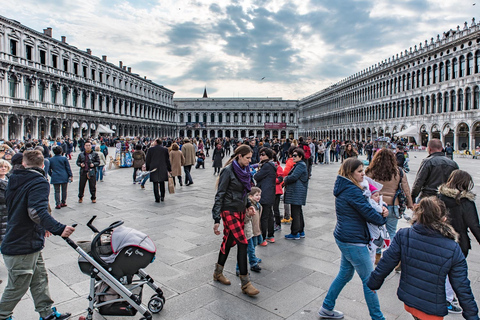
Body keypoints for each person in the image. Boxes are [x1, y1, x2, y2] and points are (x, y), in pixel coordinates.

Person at [367, 197, 479, 320]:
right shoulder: (452, 248)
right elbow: (462, 286)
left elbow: (386, 261)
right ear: (444, 219)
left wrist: (373, 283)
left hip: (409, 300)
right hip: (432, 309)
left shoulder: (404, 235)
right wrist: (472, 316)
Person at [0, 150, 75, 320]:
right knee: (18, 285)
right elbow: (35, 211)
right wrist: (58, 228)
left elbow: (24, 209)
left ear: (24, 164)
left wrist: (43, 227)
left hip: (27, 240)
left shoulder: (13, 179)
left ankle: (46, 313)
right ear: (43, 165)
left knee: (39, 278)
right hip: (21, 244)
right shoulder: (39, 181)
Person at [318, 158, 388, 320]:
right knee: (370, 281)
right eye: (359, 171)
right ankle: (378, 318)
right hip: (353, 240)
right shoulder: (352, 190)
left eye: (363, 170)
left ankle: (327, 308)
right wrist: (383, 216)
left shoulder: (348, 187)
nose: (363, 173)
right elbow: (369, 213)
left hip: (346, 236)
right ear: (350, 174)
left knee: (345, 274)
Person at [212, 145, 259, 296]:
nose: (250, 161)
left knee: (228, 241)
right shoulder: (228, 171)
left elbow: (244, 191)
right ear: (239, 156)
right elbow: (220, 194)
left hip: (239, 209)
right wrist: (216, 218)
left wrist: (248, 206)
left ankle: (218, 273)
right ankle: (245, 283)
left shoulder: (245, 171)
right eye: (247, 158)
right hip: (228, 210)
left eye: (251, 158)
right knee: (243, 242)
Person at [365, 148, 414, 264]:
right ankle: (391, 257)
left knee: (376, 231)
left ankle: (376, 255)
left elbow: (365, 186)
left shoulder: (372, 171)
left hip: (377, 206)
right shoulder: (399, 171)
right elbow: (406, 189)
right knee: (391, 231)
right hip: (393, 204)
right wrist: (410, 204)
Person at [283, 148, 309, 240]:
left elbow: (294, 177)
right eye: (292, 155)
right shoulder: (300, 165)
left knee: (295, 213)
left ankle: (295, 232)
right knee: (298, 211)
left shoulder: (300, 165)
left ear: (300, 157)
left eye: (295, 156)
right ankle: (301, 231)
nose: (293, 157)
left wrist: (285, 179)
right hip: (298, 191)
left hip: (297, 192)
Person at [254, 147, 277, 246]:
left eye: (263, 154)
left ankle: (262, 238)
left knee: (264, 216)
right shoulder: (270, 165)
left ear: (268, 155)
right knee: (269, 215)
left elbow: (257, 177)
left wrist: (256, 172)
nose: (261, 156)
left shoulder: (267, 166)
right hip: (270, 193)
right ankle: (270, 236)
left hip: (265, 193)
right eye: (260, 154)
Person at [145, 138, 171, 202]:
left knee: (155, 183)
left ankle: (157, 198)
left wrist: (148, 168)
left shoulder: (150, 149)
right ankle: (162, 197)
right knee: (162, 182)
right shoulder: (165, 149)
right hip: (163, 167)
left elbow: (147, 160)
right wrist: (169, 169)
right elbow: (167, 160)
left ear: (156, 142)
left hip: (154, 167)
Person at [0, 159, 12, 255]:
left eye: (5, 167)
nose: (3, 168)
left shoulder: (11, 180)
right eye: (0, 166)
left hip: (10, 216)